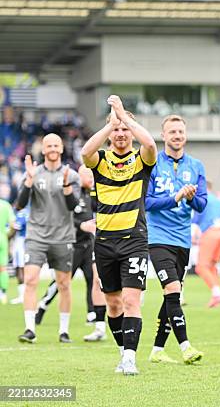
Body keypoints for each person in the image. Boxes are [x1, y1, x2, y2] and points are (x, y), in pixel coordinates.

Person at [81, 95, 157, 375]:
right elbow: (85, 153)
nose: (122, 134)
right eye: (117, 130)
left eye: (126, 129)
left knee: (130, 301)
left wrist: (123, 117)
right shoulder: (100, 161)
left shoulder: (141, 159)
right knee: (112, 304)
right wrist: (110, 124)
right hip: (104, 242)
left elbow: (149, 143)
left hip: (133, 240)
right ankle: (122, 350)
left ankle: (130, 357)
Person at [145, 114, 206, 364]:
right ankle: (185, 346)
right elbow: (146, 202)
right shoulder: (153, 164)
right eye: (172, 132)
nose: (177, 136)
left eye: (180, 131)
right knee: (172, 290)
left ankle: (157, 349)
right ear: (164, 136)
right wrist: (176, 197)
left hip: (182, 239)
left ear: (185, 135)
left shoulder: (196, 166)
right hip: (158, 237)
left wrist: (190, 197)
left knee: (172, 294)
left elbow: (201, 205)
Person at [16, 134, 81, 343]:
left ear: (61, 149)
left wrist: (66, 187)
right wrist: (28, 181)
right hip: (36, 236)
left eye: (56, 145)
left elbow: (74, 206)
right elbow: (19, 204)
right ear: (43, 150)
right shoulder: (34, 173)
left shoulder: (71, 174)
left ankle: (63, 331)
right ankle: (30, 329)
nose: (52, 148)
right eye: (48, 145)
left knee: (63, 284)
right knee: (31, 280)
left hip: (63, 237)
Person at [34, 165, 97, 326]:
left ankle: (91, 313)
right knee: (62, 282)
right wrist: (81, 225)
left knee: (92, 278)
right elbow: (63, 217)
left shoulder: (92, 195)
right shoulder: (72, 194)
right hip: (71, 245)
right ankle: (42, 305)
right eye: (88, 175)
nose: (91, 179)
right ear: (79, 176)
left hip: (87, 245)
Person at [192, 181, 220, 308]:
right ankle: (216, 296)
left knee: (201, 267)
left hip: (209, 233)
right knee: (212, 266)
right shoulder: (218, 200)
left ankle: (217, 293)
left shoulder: (203, 199)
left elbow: (196, 219)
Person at [0, 183, 16, 304]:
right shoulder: (6, 205)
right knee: (3, 268)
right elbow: (12, 225)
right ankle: (3, 293)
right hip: (2, 238)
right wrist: (8, 234)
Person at [9, 206, 28, 305]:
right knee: (20, 267)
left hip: (21, 242)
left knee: (20, 268)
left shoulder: (21, 213)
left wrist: (7, 237)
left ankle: (23, 296)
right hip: (25, 242)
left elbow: (16, 227)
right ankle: (23, 295)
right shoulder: (27, 211)